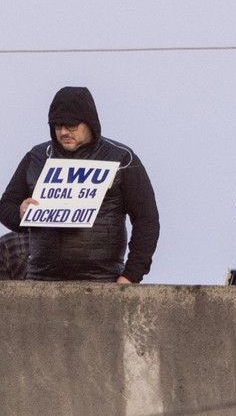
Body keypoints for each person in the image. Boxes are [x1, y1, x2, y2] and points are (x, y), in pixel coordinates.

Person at [0, 87, 159, 283]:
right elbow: (5, 206)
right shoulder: (37, 157)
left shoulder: (121, 159)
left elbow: (147, 220)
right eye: (58, 126)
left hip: (103, 280)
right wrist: (20, 213)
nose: (64, 132)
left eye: (72, 125)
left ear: (90, 123)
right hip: (41, 280)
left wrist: (131, 275)